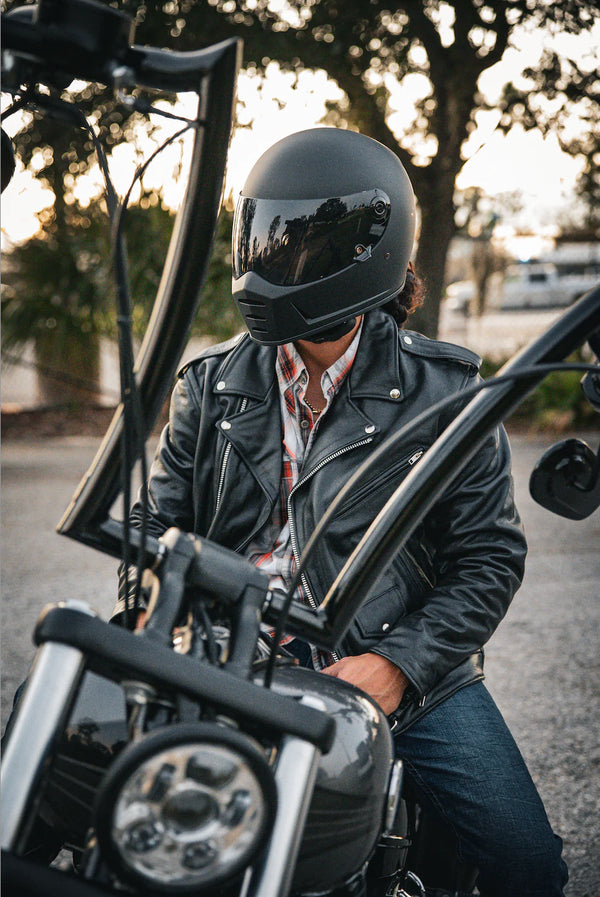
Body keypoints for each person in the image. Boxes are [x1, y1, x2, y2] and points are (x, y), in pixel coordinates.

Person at [114, 127, 568, 896]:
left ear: (363, 254)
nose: (274, 265)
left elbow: (489, 558)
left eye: (297, 248)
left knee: (526, 863)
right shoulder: (209, 385)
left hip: (394, 663)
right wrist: (150, 613)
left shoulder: (450, 392)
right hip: (227, 652)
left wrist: (397, 667)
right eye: (265, 241)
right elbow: (152, 530)